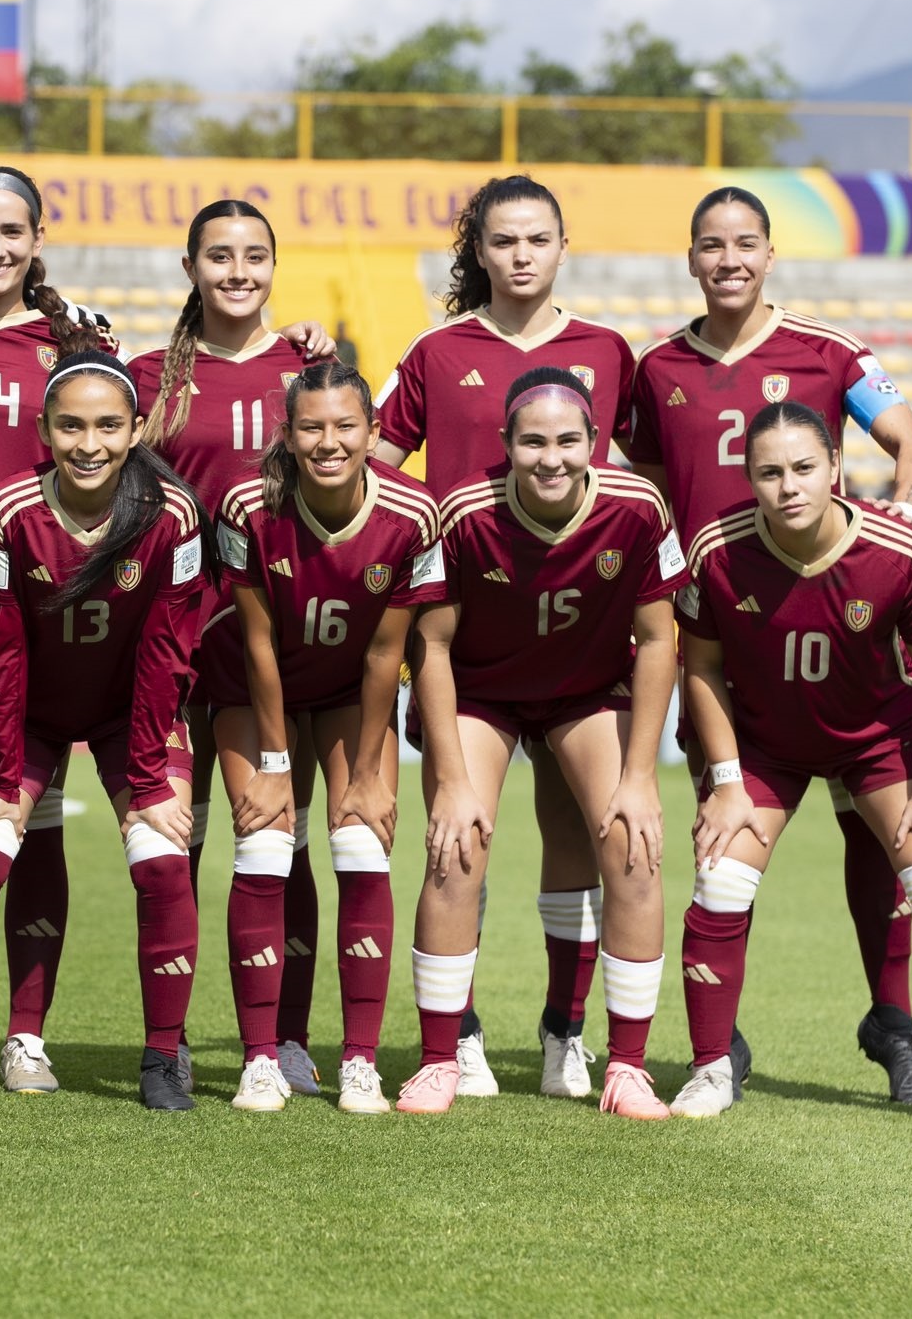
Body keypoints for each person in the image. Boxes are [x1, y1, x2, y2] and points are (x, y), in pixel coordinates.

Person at [0, 169, 335, 1094]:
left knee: (224, 838)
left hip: (157, 653)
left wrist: (311, 344)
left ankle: (58, 1039)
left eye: (13, 230)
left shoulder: (85, 351)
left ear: (37, 239)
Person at [626, 185, 912, 1106]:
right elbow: (645, 494)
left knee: (882, 840)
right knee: (725, 835)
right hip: (722, 646)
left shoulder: (831, 352)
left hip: (840, 639)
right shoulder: (657, 369)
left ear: (770, 255)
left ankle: (893, 1025)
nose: (729, 259)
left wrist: (896, 536)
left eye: (746, 243)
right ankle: (720, 1047)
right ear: (691, 259)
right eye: (711, 245)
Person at [374, 174, 639, 1100]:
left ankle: (567, 1032)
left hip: (579, 644)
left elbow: (641, 478)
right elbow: (372, 464)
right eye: (502, 241)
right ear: (477, 252)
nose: (521, 255)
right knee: (460, 836)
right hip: (464, 638)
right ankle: (460, 1033)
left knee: (579, 838)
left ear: (563, 247)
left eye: (538, 239)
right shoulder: (437, 351)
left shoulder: (608, 350)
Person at [670, 402, 912, 1129]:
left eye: (804, 468)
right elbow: (702, 668)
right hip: (763, 745)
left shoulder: (898, 551)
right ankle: (710, 1069)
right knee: (721, 878)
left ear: (836, 470)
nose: (789, 486)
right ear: (749, 479)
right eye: (770, 472)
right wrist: (725, 784)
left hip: (877, 741)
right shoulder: (716, 551)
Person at [0, 352, 208, 1111]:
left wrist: (150, 779)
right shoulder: (7, 511)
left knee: (161, 862)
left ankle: (159, 1062)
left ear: (137, 429)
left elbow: (166, 651)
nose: (90, 443)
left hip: (131, 720)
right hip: (31, 717)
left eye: (109, 425)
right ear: (45, 430)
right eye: (72, 426)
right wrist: (5, 773)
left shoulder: (170, 515)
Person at [401, 369, 682, 1119]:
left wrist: (642, 776)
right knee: (456, 844)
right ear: (505, 445)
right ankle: (439, 1059)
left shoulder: (639, 507)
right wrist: (453, 779)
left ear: (593, 443)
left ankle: (619, 1064)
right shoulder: (461, 512)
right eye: (532, 441)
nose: (550, 457)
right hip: (481, 692)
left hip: (587, 692)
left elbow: (660, 639)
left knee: (632, 841)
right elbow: (430, 646)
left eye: (567, 440)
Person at [200, 362, 447, 1115]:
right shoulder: (249, 504)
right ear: (287, 433)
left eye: (346, 426)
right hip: (251, 684)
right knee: (267, 839)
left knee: (361, 838)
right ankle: (260, 1059)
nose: (328, 442)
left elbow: (384, 653)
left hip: (348, 686)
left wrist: (370, 769)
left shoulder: (414, 513)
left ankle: (361, 1063)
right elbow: (258, 641)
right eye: (311, 427)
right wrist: (275, 764)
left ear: (374, 433)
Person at [129, 200, 331, 1097]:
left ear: (274, 266)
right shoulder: (150, 377)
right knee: (172, 847)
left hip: (270, 646)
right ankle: (165, 1043)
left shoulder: (312, 368)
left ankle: (284, 1039)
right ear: (191, 267)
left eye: (254, 256)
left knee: (276, 841)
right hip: (171, 641)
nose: (237, 272)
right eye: (220, 256)